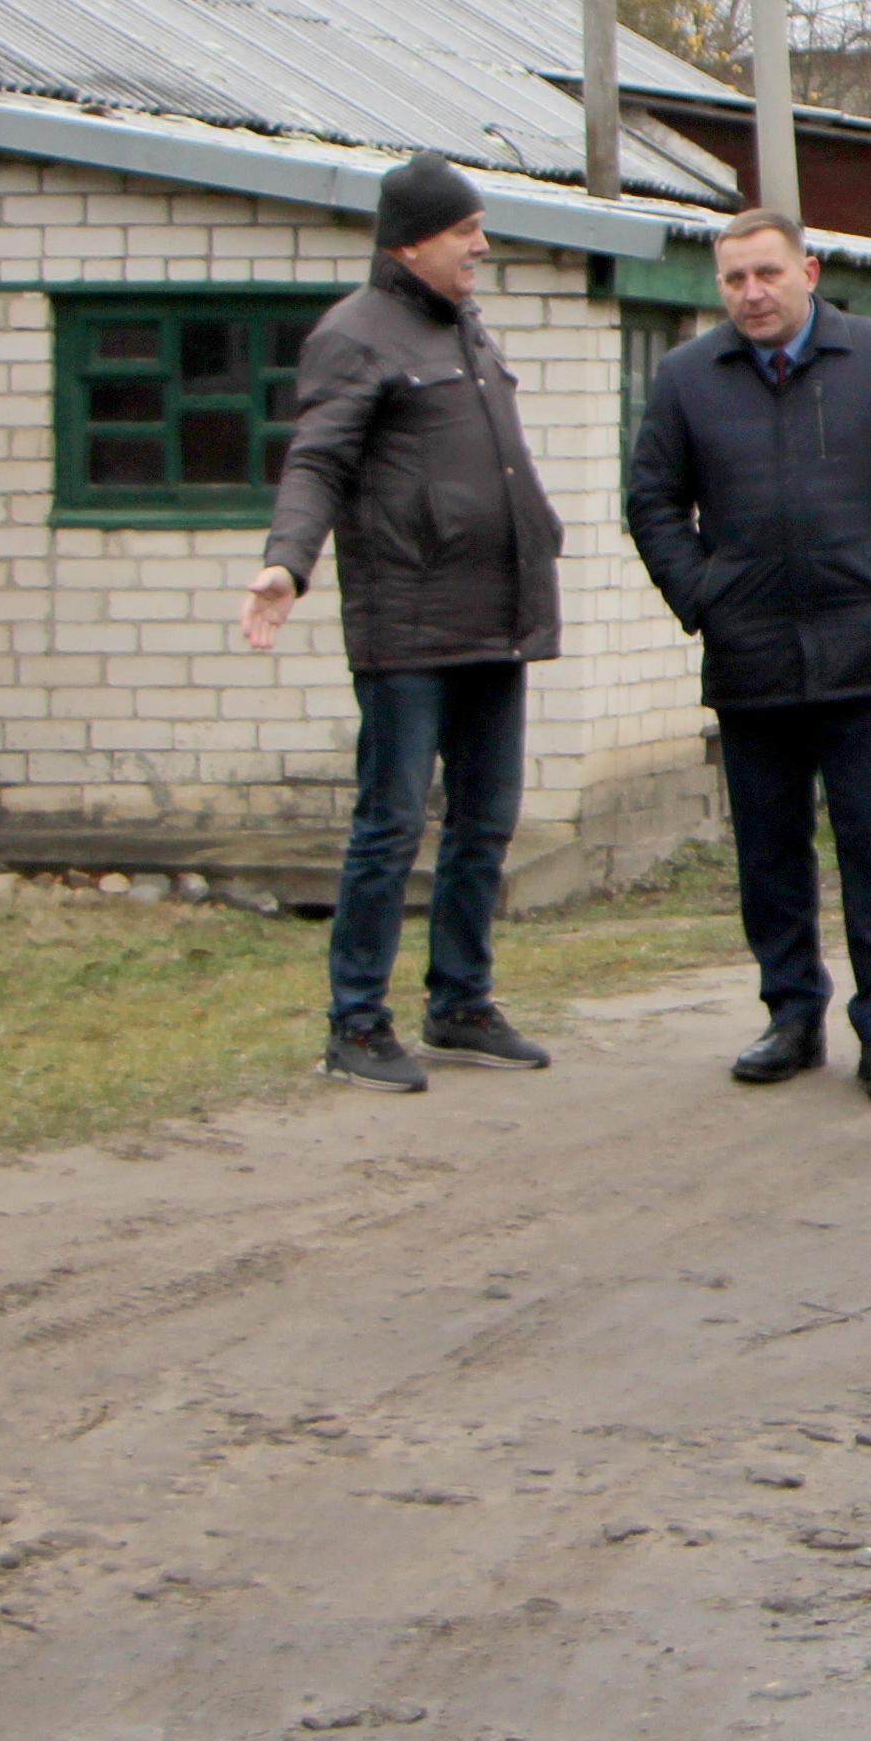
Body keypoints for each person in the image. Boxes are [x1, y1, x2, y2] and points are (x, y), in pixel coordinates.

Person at [623, 208, 871, 1104]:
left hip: (858, 653)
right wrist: (704, 597)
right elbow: (653, 500)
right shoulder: (688, 379)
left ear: (808, 272)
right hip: (751, 657)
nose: (751, 294)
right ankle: (791, 1014)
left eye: (767, 274)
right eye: (734, 279)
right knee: (769, 850)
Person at [243, 153, 564, 1092]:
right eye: (467, 231)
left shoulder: (463, 326)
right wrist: (286, 561)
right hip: (410, 623)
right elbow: (318, 463)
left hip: (497, 615)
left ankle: (460, 1002)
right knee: (390, 825)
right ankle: (357, 1022)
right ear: (413, 241)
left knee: (485, 821)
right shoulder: (355, 334)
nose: (483, 245)